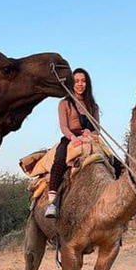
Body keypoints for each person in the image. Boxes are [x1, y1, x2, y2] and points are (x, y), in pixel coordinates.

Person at [45, 68, 99, 219]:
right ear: (72, 83)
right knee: (60, 160)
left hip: (90, 138)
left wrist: (90, 133)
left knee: (113, 161)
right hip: (71, 138)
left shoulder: (93, 106)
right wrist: (73, 138)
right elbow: (63, 126)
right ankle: (52, 203)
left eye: (83, 81)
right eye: (77, 81)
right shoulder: (64, 103)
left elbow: (98, 129)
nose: (80, 84)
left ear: (87, 83)